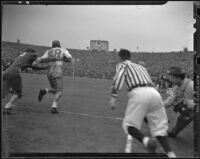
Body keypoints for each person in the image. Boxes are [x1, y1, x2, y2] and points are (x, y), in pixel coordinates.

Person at [109, 49, 176, 157]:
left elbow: (119, 76)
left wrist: (113, 96)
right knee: (159, 129)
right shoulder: (141, 67)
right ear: (130, 57)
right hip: (155, 93)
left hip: (139, 92)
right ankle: (171, 154)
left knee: (129, 125)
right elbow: (150, 81)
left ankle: (147, 142)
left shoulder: (122, 65)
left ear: (120, 57)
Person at [2, 48, 56, 115]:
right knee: (18, 93)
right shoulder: (31, 54)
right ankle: (7, 107)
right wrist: (53, 59)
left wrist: (44, 68)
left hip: (6, 72)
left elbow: (33, 67)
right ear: (31, 52)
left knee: (3, 92)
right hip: (15, 72)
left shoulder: (22, 57)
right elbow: (40, 60)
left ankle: (8, 106)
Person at [37, 40, 72, 114]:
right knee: (59, 92)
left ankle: (44, 91)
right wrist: (63, 59)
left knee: (55, 90)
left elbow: (41, 60)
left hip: (49, 71)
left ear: (52, 45)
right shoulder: (63, 50)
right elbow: (69, 58)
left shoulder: (48, 51)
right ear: (59, 45)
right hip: (57, 70)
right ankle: (54, 107)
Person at [164, 67, 194, 138]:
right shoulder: (176, 88)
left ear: (178, 78)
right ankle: (173, 134)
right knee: (182, 118)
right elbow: (171, 100)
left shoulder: (192, 86)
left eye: (172, 78)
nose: (170, 80)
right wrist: (158, 107)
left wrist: (191, 103)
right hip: (190, 111)